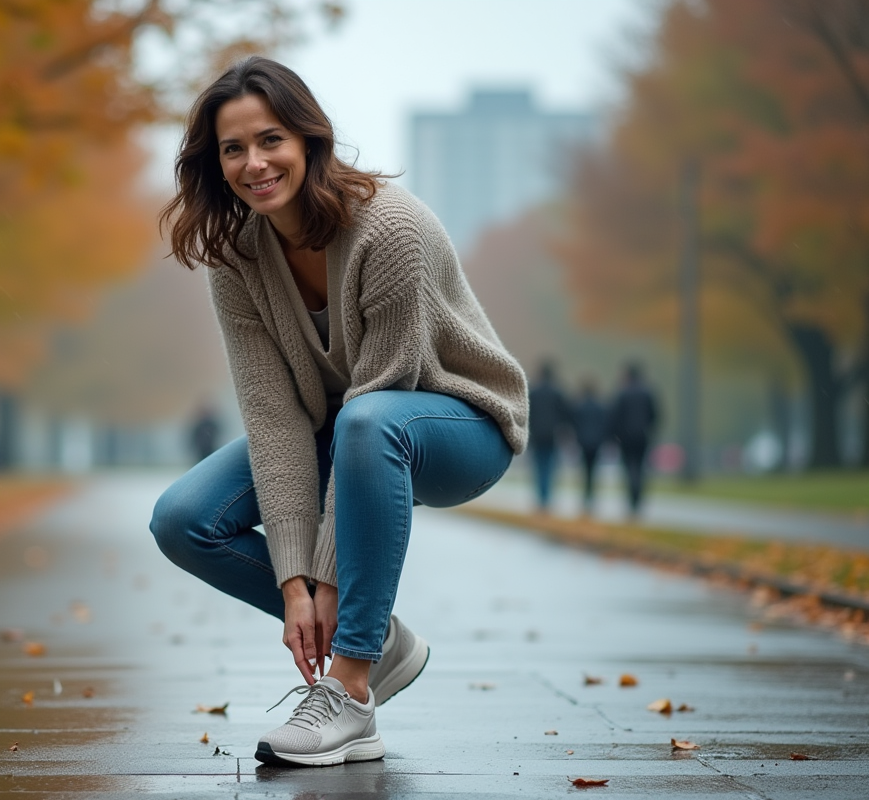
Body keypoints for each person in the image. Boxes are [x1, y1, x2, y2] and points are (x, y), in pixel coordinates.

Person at [148, 57, 528, 768]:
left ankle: (351, 690)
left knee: (370, 420)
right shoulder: (237, 255)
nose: (254, 163)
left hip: (457, 425)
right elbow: (274, 415)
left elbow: (381, 393)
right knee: (182, 519)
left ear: (308, 139)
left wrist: (327, 579)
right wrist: (294, 584)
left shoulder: (391, 229)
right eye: (233, 149)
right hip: (346, 428)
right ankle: (380, 640)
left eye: (270, 140)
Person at [610, 362, 658, 516]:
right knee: (640, 466)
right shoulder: (648, 392)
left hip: (626, 436)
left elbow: (616, 416)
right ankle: (637, 496)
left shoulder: (623, 393)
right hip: (642, 435)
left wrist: (616, 434)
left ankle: (632, 495)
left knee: (629, 466)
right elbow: (654, 414)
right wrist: (649, 427)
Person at [526, 361, 571, 512]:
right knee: (550, 467)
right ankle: (547, 498)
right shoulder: (557, 392)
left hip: (537, 434)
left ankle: (540, 499)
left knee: (538, 466)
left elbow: (528, 413)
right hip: (552, 434)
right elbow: (565, 414)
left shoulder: (534, 392)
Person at [571, 377, 609, 515]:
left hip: (583, 442)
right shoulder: (601, 407)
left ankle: (586, 497)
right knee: (593, 471)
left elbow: (575, 423)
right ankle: (591, 496)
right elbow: (605, 424)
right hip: (596, 443)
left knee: (585, 471)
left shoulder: (579, 406)